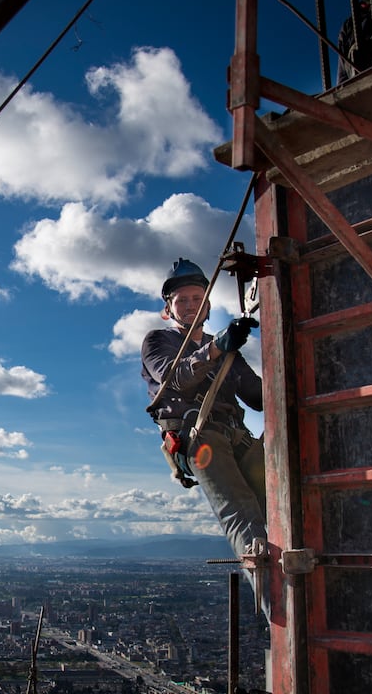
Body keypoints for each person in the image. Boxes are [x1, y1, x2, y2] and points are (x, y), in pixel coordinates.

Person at [140, 258, 268, 616]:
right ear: (168, 310)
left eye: (198, 298)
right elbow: (175, 376)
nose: (192, 305)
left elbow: (259, 397)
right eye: (183, 300)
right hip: (198, 436)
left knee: (279, 505)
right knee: (242, 515)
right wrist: (218, 348)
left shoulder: (225, 349)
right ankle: (278, 607)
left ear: (209, 305)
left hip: (236, 434)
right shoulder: (158, 341)